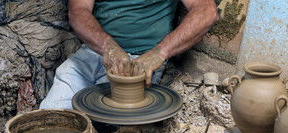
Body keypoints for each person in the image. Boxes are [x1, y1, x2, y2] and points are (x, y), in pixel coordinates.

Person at [40, 0, 219, 109]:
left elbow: (206, 12)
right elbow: (78, 11)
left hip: (140, 61)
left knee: (103, 121)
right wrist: (106, 45)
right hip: (93, 51)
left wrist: (160, 52)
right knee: (50, 115)